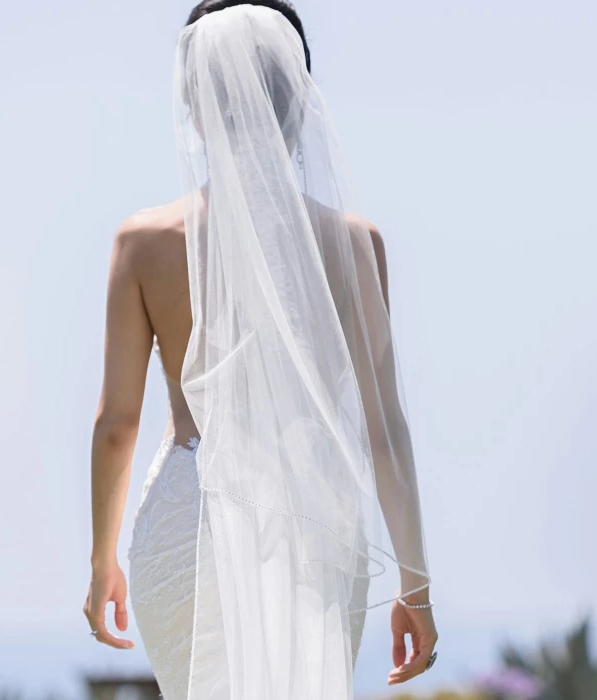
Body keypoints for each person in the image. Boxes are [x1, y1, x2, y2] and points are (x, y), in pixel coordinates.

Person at [81, 2, 437, 697]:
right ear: (300, 96)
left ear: (193, 97)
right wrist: (415, 583)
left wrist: (101, 561)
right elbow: (384, 429)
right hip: (312, 519)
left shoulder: (145, 243)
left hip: (188, 514)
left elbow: (117, 424)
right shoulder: (355, 246)